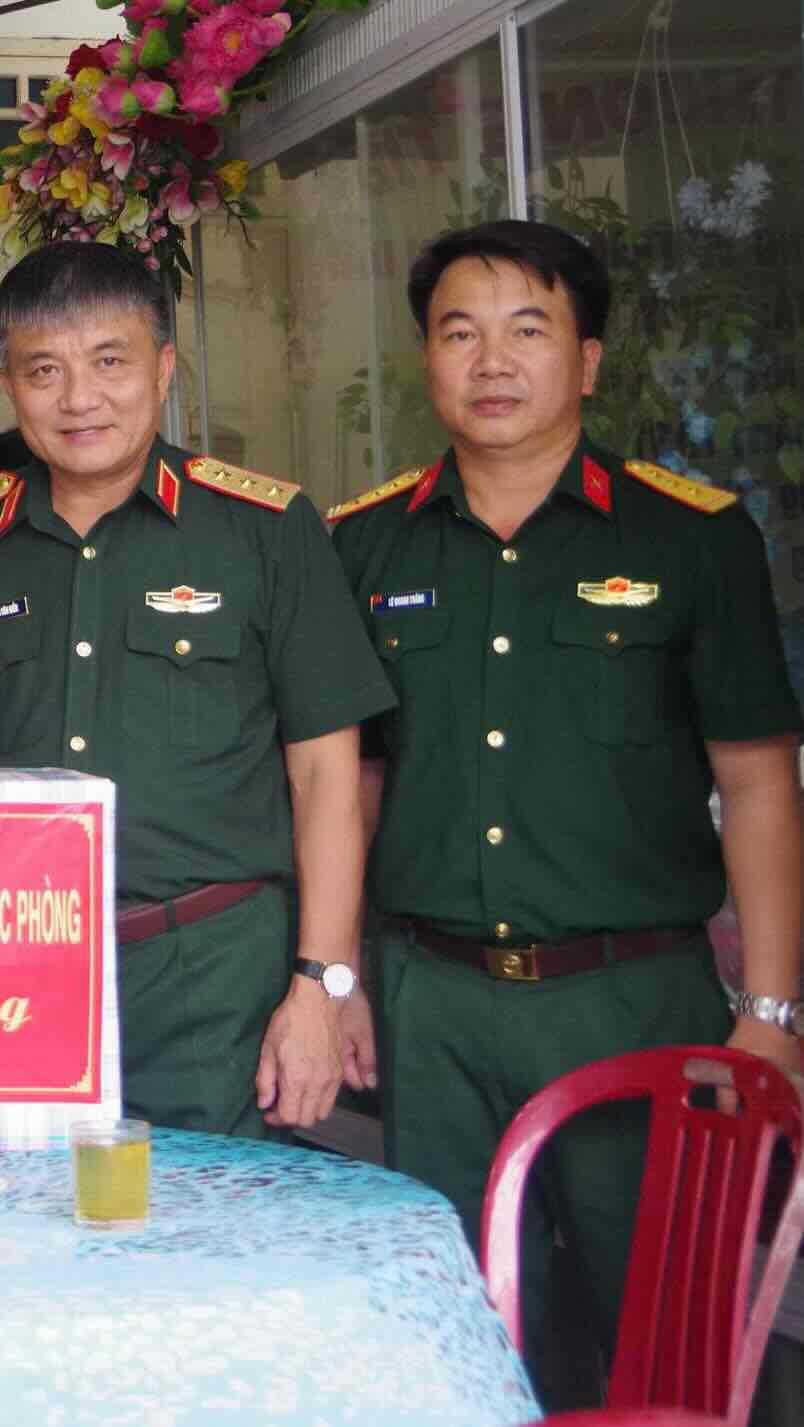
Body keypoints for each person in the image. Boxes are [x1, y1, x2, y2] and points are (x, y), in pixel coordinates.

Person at [328, 218, 803, 1381]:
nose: (490, 361)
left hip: (633, 1002)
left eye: (526, 331)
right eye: (459, 333)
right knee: (449, 1338)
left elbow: (756, 782)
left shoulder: (690, 538)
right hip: (430, 1005)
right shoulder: (362, 545)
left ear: (585, 361)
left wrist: (771, 1011)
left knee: (655, 1332)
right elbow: (352, 780)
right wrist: (335, 972)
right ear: (426, 359)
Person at [0, 241, 397, 1139]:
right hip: (12, 973)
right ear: (9, 386)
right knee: (16, 1210)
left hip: (215, 976)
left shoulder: (264, 530)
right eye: (44, 370)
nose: (78, 398)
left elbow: (328, 776)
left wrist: (322, 984)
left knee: (212, 1217)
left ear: (164, 369)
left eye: (110, 361)